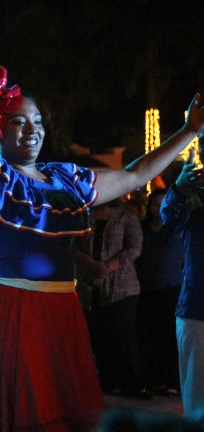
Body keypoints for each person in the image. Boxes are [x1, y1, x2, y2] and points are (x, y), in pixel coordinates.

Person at [0, 29, 204, 430]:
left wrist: (189, 131)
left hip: (62, 310)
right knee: (24, 416)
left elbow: (134, 175)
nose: (32, 130)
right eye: (17, 122)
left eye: (37, 121)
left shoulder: (65, 180)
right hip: (12, 311)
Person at [74, 198, 148, 399]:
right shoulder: (83, 215)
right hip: (90, 285)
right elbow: (74, 246)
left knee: (124, 336)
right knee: (98, 335)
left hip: (122, 287)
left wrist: (105, 268)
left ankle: (132, 383)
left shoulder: (126, 216)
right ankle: (107, 379)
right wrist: (93, 266)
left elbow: (133, 249)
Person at [160, 152, 204, 420]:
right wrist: (181, 187)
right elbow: (168, 216)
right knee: (198, 398)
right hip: (198, 309)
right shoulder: (193, 196)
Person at [136, 187, 183, 396]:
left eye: (163, 204)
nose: (159, 208)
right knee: (149, 336)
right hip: (146, 290)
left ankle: (171, 380)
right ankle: (152, 379)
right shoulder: (141, 229)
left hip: (173, 289)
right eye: (155, 204)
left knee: (170, 337)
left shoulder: (178, 229)